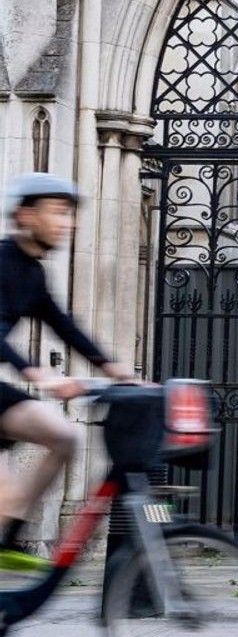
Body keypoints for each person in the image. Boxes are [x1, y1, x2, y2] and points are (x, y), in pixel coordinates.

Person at [0, 173, 132, 568]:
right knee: (5, 493)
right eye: (58, 212)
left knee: (63, 436)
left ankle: (8, 538)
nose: (68, 223)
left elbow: (63, 325)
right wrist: (36, 373)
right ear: (26, 215)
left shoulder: (33, 273)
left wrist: (115, 369)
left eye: (70, 214)